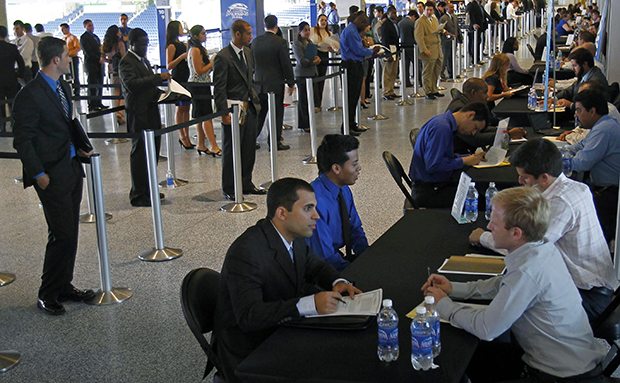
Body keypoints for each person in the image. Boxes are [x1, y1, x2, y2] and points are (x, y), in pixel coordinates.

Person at [423, 186, 606, 383]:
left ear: (516, 233)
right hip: (567, 359)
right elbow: (503, 283)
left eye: (495, 223)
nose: (489, 227)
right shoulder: (541, 248)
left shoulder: (527, 271)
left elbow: (487, 328)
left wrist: (443, 305)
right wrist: (454, 289)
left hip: (561, 376)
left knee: (456, 364)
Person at [213, 177, 361, 383]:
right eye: (308, 208)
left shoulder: (294, 236)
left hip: (280, 328)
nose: (316, 216)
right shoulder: (247, 252)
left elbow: (316, 266)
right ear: (282, 213)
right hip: (251, 350)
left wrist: (338, 281)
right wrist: (309, 304)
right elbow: (249, 317)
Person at [470, 139, 619, 322]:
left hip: (588, 296)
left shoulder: (559, 203)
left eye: (524, 178)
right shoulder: (577, 187)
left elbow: (527, 248)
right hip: (593, 285)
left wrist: (482, 237)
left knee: (513, 308)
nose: (519, 182)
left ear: (544, 178)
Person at [12, 36, 95, 315]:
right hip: (50, 173)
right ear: (56, 60)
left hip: (70, 166)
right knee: (61, 235)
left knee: (69, 232)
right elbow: (23, 140)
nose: (70, 58)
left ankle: (63, 285)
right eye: (66, 55)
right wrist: (38, 174)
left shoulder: (63, 87)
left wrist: (80, 148)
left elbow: (68, 121)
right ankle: (47, 293)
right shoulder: (29, 95)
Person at [213, 19, 264, 200]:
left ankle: (246, 182)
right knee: (231, 149)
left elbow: (249, 79)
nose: (251, 36)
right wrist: (223, 113)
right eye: (248, 33)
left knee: (249, 147)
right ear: (237, 34)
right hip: (232, 110)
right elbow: (219, 88)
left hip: (249, 107)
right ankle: (229, 187)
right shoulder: (223, 57)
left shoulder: (248, 53)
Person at [120, 28, 171, 207]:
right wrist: (157, 78)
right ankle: (138, 194)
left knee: (152, 153)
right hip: (139, 115)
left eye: (146, 44)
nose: (145, 47)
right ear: (131, 43)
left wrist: (165, 94)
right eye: (141, 44)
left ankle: (149, 190)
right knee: (140, 155)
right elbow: (132, 85)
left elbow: (148, 86)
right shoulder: (126, 62)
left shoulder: (144, 61)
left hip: (151, 112)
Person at [408, 102, 489, 208]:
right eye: (475, 128)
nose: (473, 133)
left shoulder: (443, 122)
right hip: (430, 191)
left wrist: (469, 157)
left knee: (479, 189)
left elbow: (444, 157)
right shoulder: (442, 128)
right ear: (470, 115)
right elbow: (433, 165)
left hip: (432, 184)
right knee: (482, 201)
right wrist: (464, 161)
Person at [307, 134, 369, 272]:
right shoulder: (315, 203)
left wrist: (367, 258)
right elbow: (325, 257)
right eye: (354, 164)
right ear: (336, 169)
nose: (359, 168)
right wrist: (358, 273)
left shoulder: (343, 189)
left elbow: (355, 229)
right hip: (319, 268)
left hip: (336, 258)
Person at [566, 89, 620, 243]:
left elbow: (582, 163)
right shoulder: (603, 124)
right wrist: (562, 153)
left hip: (609, 195)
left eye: (579, 110)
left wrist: (557, 161)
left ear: (592, 111)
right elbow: (579, 146)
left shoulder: (604, 130)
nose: (576, 115)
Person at [447, 78, 525, 153]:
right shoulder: (460, 110)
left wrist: (505, 130)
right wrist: (507, 135)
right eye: (485, 92)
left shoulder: (464, 103)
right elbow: (476, 139)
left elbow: (481, 130)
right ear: (473, 93)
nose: (487, 96)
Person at [253, 15, 295, 151]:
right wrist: (290, 81)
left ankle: (251, 139)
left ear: (265, 25)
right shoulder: (280, 42)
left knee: (260, 113)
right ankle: (274, 142)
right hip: (275, 84)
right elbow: (285, 64)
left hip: (259, 83)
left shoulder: (256, 41)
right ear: (276, 26)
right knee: (276, 113)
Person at [339, 14, 381, 136]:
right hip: (351, 66)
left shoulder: (352, 30)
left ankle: (351, 124)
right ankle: (346, 127)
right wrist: (372, 51)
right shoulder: (351, 32)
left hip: (355, 64)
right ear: (361, 22)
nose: (366, 28)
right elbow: (358, 50)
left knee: (354, 98)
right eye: (365, 25)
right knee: (351, 97)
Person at [187, 25, 221, 157]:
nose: (205, 35)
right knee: (206, 116)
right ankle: (213, 145)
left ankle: (201, 144)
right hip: (198, 86)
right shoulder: (195, 50)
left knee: (201, 116)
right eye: (202, 33)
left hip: (202, 84)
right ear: (196, 36)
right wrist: (212, 62)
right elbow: (198, 70)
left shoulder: (199, 49)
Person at [165, 20, 193, 150]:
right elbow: (169, 65)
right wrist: (181, 57)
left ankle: (187, 134)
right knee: (181, 108)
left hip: (186, 76)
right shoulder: (171, 46)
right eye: (181, 27)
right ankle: (182, 135)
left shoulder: (182, 43)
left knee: (187, 108)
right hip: (178, 77)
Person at [293, 22, 321, 134]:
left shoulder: (310, 42)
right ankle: (304, 124)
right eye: (305, 30)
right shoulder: (297, 44)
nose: (307, 32)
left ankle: (309, 122)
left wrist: (317, 60)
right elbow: (301, 60)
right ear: (300, 32)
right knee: (303, 100)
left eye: (309, 29)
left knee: (310, 99)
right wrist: (312, 61)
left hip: (312, 73)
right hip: (303, 74)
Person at [415, 1, 444, 100]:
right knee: (428, 71)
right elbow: (419, 37)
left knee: (436, 70)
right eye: (427, 10)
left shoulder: (434, 19)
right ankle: (427, 91)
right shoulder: (420, 21)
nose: (429, 12)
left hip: (437, 48)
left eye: (431, 10)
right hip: (428, 49)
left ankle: (434, 89)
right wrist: (424, 49)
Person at [101, 25, 126, 125]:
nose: (120, 33)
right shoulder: (120, 44)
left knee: (115, 92)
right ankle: (120, 113)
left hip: (111, 70)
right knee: (124, 92)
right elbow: (124, 57)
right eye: (119, 32)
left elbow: (102, 60)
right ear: (116, 33)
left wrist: (110, 61)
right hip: (120, 70)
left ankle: (116, 112)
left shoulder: (105, 45)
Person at [0, 26, 24, 128]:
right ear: (6, 35)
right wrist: (19, 75)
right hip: (11, 79)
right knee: (13, 102)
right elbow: (21, 63)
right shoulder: (12, 48)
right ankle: (14, 123)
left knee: (0, 104)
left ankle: (2, 125)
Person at [80, 19, 107, 111]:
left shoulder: (95, 37)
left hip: (99, 65)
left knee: (99, 84)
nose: (92, 27)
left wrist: (102, 58)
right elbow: (88, 52)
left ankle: (99, 102)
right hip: (91, 64)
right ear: (85, 27)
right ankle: (92, 104)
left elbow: (100, 49)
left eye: (92, 25)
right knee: (92, 84)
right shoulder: (84, 37)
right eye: (89, 25)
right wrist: (98, 59)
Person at [310, 14, 334, 111]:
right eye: (321, 20)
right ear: (318, 21)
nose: (323, 22)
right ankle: (314, 102)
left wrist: (332, 48)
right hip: (315, 54)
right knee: (315, 78)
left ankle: (319, 102)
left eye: (325, 20)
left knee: (321, 79)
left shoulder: (329, 33)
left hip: (324, 55)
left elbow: (333, 46)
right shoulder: (312, 31)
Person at [381, 7, 400, 100]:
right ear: (388, 14)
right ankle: (386, 91)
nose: (395, 15)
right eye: (393, 13)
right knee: (387, 72)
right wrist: (388, 54)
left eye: (395, 13)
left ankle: (391, 90)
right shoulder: (385, 24)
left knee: (393, 72)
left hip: (395, 50)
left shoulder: (395, 24)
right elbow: (385, 40)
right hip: (389, 49)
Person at [440, 2, 462, 81]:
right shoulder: (443, 18)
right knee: (445, 58)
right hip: (446, 41)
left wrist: (459, 37)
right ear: (447, 9)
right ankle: (441, 73)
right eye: (451, 7)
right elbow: (441, 29)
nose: (453, 9)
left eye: (453, 7)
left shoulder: (455, 17)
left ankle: (451, 73)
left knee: (452, 58)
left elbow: (457, 27)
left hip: (454, 41)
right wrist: (449, 34)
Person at [466, 0, 492, 65]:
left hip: (481, 27)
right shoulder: (472, 5)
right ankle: (474, 59)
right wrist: (474, 24)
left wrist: (492, 20)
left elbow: (485, 14)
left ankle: (478, 58)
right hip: (475, 28)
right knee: (475, 43)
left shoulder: (479, 5)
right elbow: (471, 15)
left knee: (479, 42)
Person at [60, 23, 80, 96]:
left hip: (73, 58)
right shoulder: (62, 39)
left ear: (67, 28)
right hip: (65, 59)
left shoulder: (73, 38)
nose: (62, 31)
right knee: (67, 75)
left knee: (75, 74)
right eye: (61, 30)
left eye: (63, 29)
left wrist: (69, 53)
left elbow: (78, 47)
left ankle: (77, 91)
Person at [398, 10, 418, 88]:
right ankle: (419, 81)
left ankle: (406, 81)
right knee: (416, 64)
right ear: (414, 16)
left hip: (403, 46)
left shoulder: (400, 22)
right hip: (412, 46)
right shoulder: (413, 23)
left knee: (405, 65)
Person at [12, 20, 34, 84]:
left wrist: (15, 54)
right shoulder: (12, 42)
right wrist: (17, 52)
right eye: (14, 29)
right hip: (14, 69)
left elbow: (24, 55)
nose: (15, 31)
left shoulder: (28, 41)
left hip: (25, 69)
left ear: (23, 29)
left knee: (28, 90)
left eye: (17, 29)